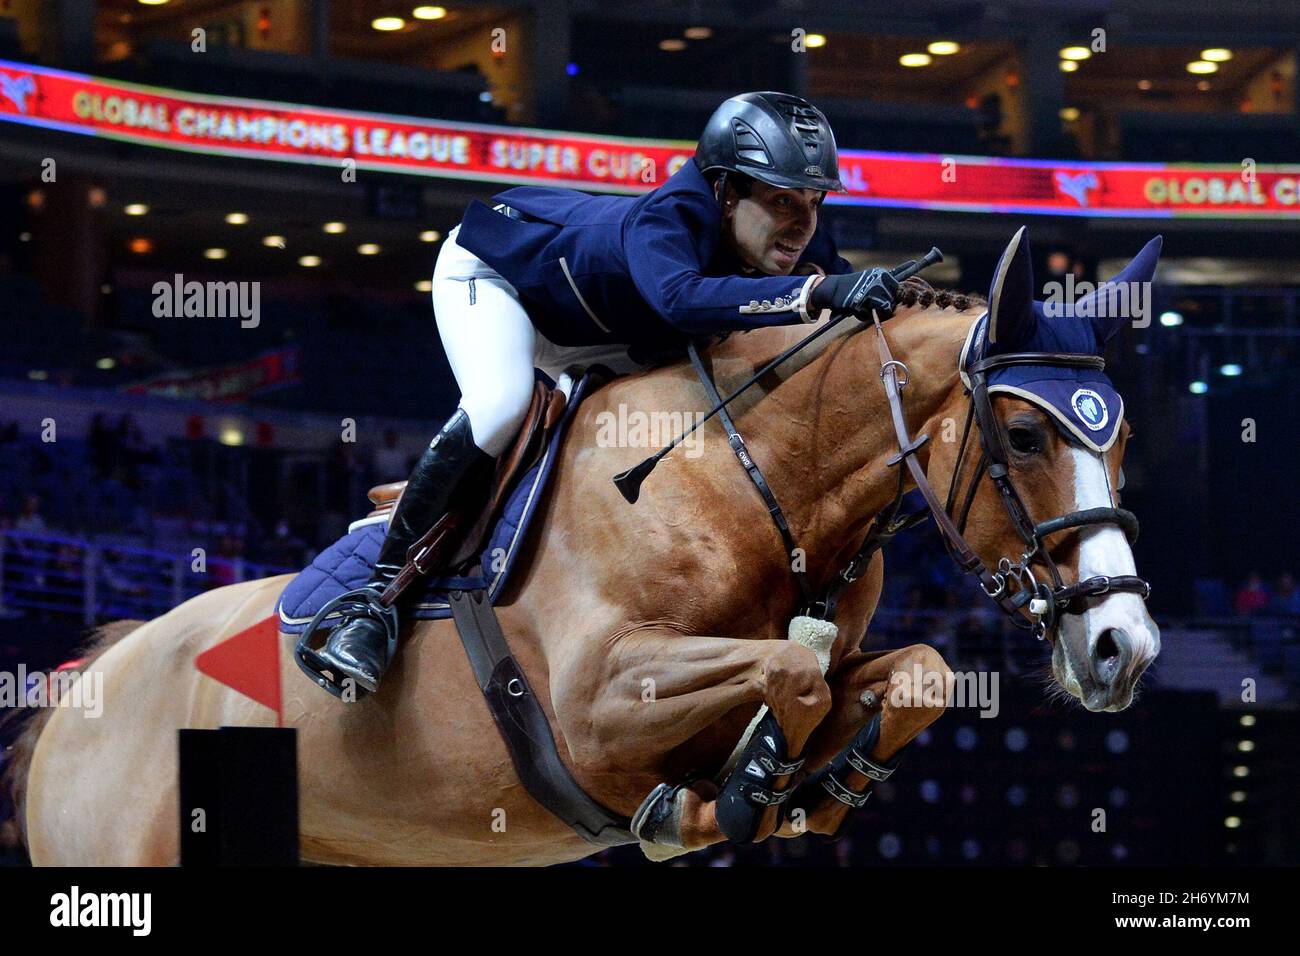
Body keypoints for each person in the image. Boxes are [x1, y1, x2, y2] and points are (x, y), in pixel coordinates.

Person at [315, 91, 904, 695]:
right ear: (726, 190)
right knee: (500, 405)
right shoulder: (667, 220)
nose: (803, 224)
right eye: (781, 200)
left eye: (813, 202)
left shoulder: (798, 244)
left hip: (608, 332)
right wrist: (817, 295)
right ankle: (374, 603)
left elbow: (838, 303)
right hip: (503, 281)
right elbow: (682, 299)